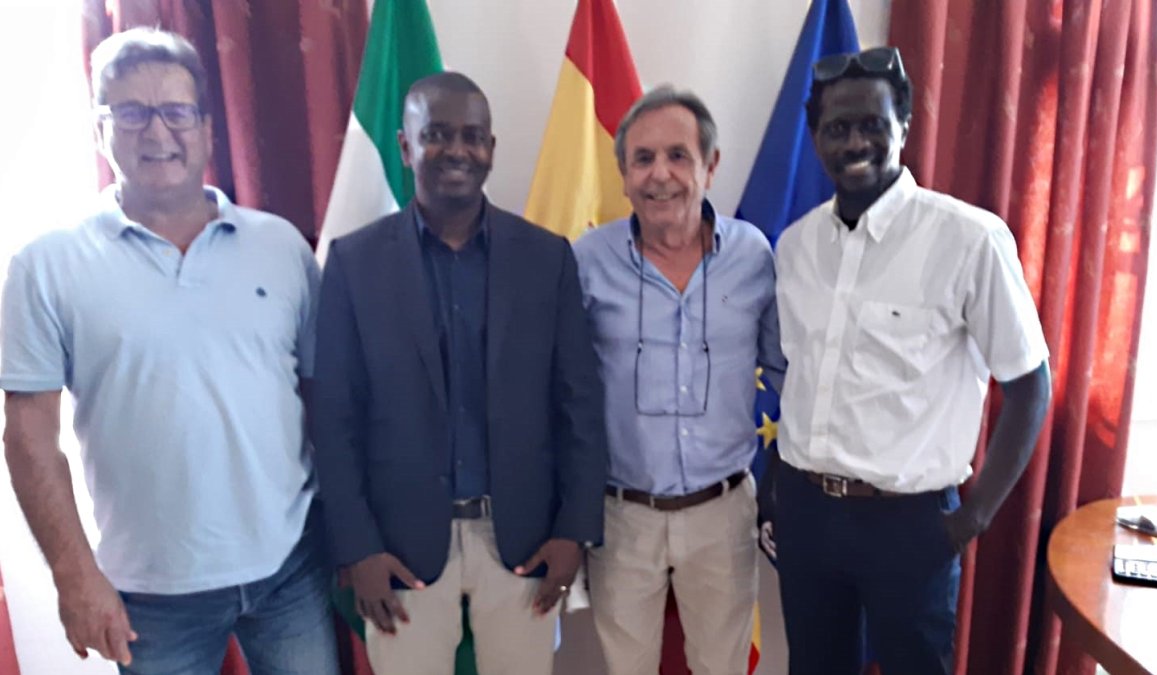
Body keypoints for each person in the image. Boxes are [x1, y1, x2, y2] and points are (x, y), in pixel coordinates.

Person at [0, 28, 336, 674]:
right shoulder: (47, 266)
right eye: (131, 112)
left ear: (209, 127)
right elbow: (28, 435)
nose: (158, 133)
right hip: (151, 596)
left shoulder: (283, 248)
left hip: (290, 571)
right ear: (101, 130)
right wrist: (74, 574)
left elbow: (325, 403)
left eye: (177, 111)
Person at [311, 71, 607, 675]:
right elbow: (334, 417)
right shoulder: (353, 263)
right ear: (404, 146)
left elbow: (578, 402)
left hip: (523, 541)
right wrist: (358, 547)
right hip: (398, 550)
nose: (456, 151)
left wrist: (575, 530)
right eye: (437, 134)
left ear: (491, 149)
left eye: (472, 137)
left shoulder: (547, 258)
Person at [768, 46, 1052, 675]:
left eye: (872, 123)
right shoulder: (794, 247)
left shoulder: (969, 239)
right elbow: (799, 374)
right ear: (816, 137)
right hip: (808, 513)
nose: (855, 141)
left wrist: (971, 518)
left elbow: (1031, 384)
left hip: (910, 523)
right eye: (837, 128)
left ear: (904, 126)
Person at [573, 85, 786, 675]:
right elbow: (560, 389)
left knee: (722, 666)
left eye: (677, 155)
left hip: (723, 511)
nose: (659, 174)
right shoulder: (586, 262)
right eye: (642, 159)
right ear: (622, 174)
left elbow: (788, 372)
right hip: (621, 516)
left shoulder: (754, 256)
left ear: (710, 166)